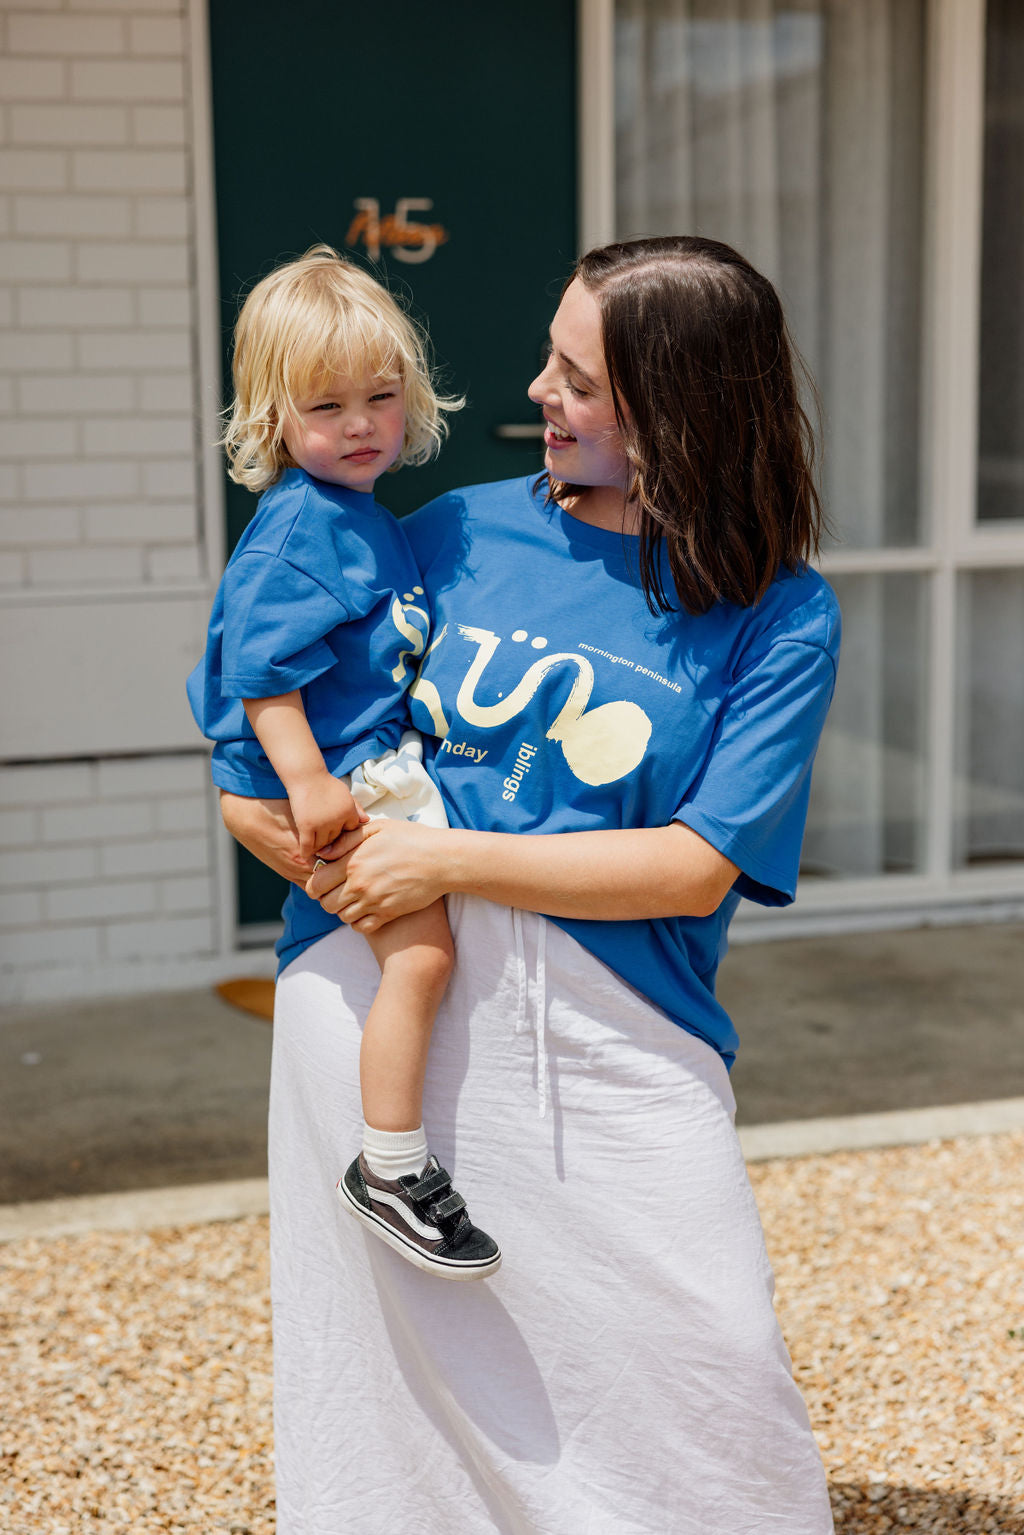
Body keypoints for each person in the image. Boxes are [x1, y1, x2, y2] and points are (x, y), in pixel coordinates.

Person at [223, 235, 841, 1533]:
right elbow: (277, 707)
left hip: (622, 1033)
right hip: (372, 982)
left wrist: (445, 854)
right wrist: (262, 818)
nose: (539, 393)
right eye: (553, 363)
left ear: (679, 410)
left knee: (705, 1346)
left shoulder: (779, 614)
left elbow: (692, 866)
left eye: (576, 377)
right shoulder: (446, 532)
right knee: (393, 1371)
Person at [188, 245, 501, 1279]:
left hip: (353, 767)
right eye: (327, 406)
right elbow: (261, 676)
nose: (361, 422)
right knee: (422, 955)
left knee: (435, 940)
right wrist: (311, 783)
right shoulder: (301, 528)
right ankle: (394, 1165)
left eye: (381, 394)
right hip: (321, 777)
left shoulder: (360, 517)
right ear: (274, 418)